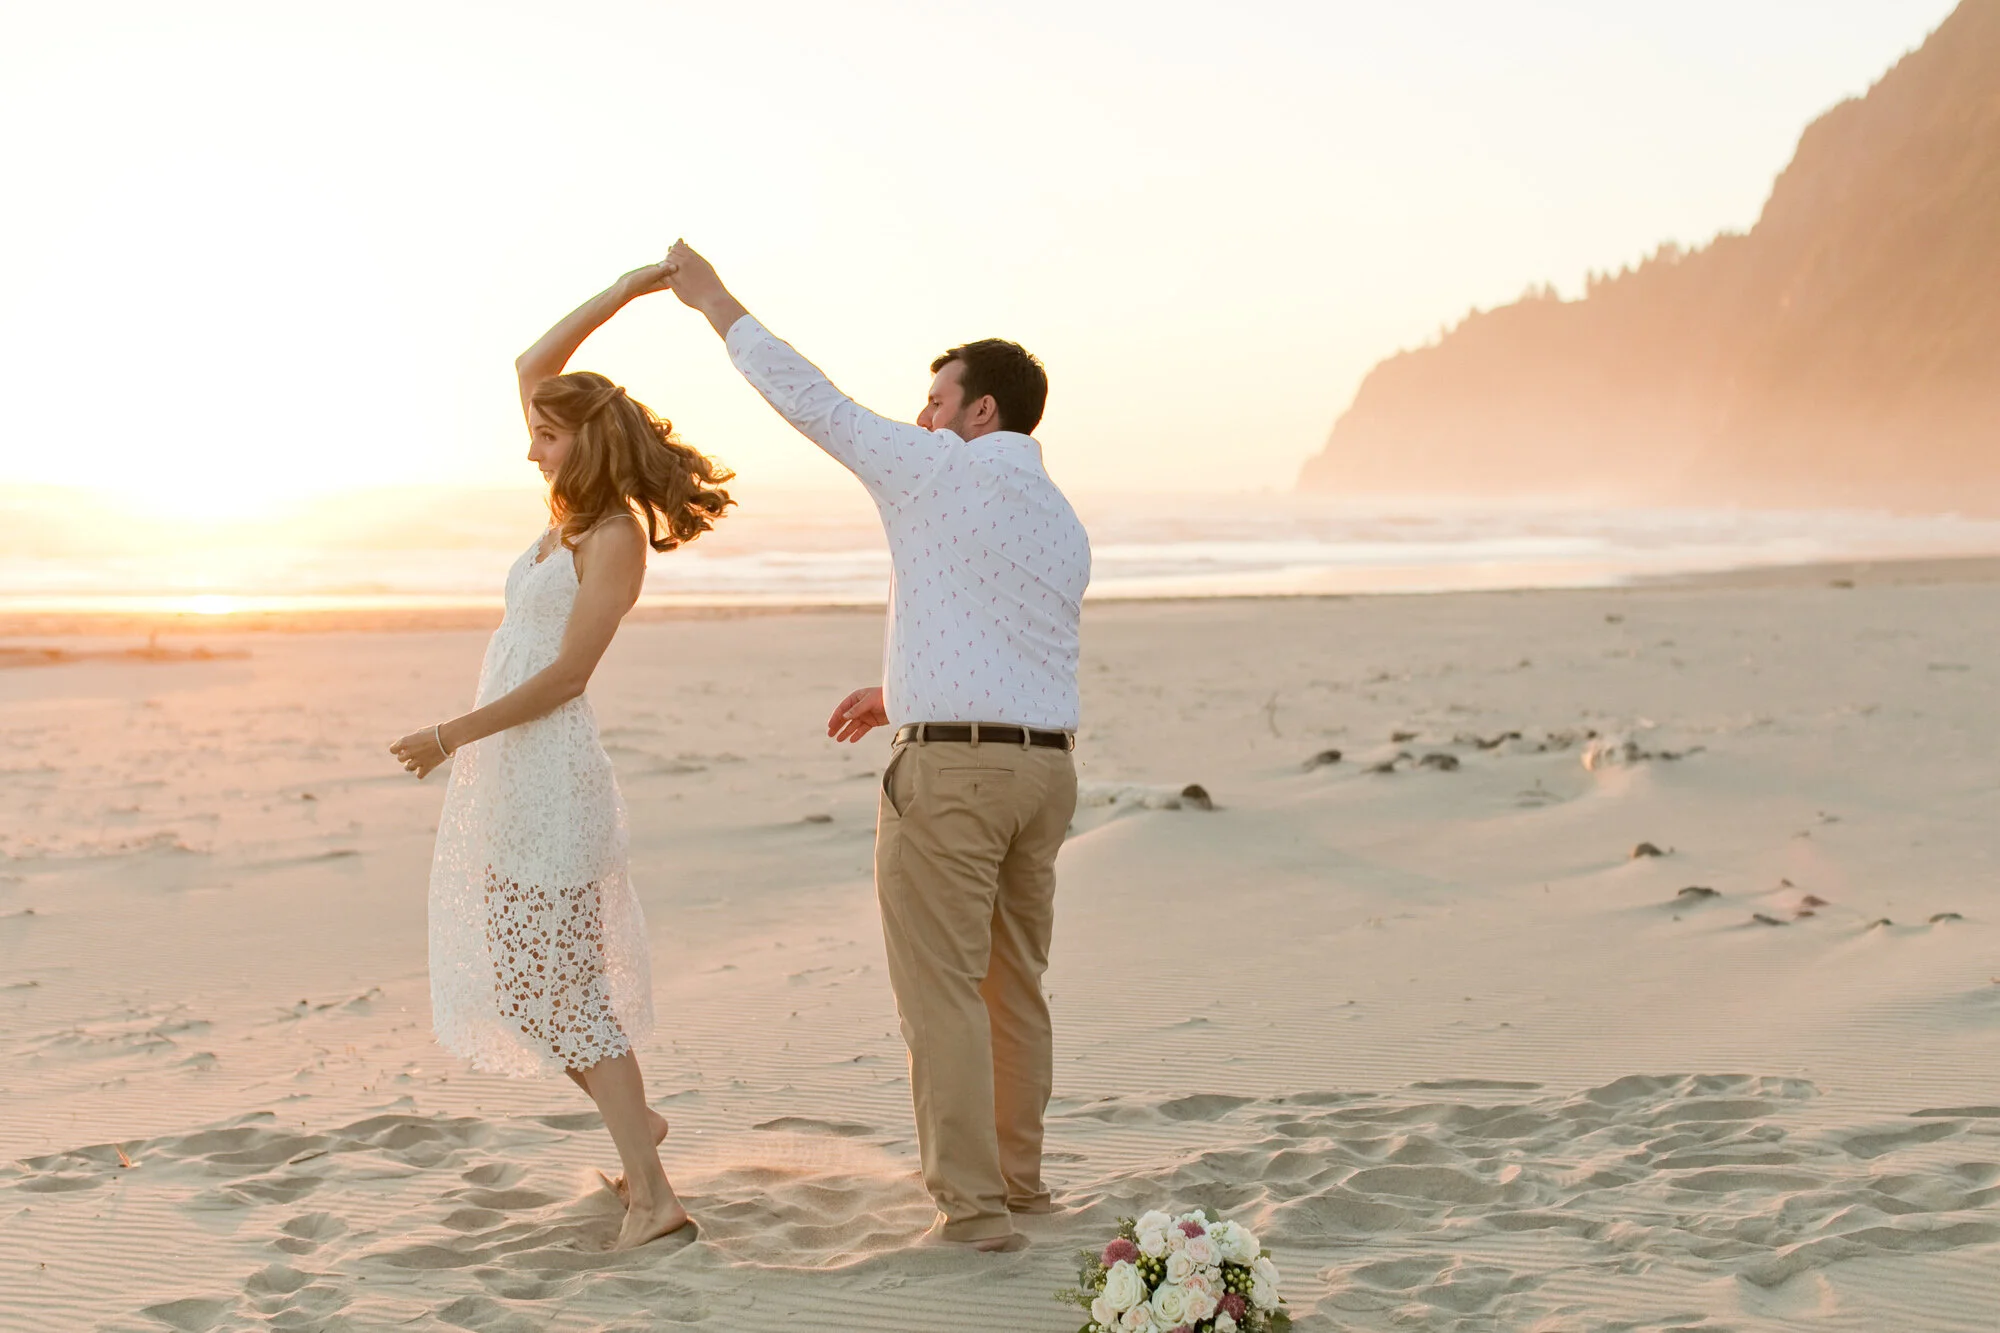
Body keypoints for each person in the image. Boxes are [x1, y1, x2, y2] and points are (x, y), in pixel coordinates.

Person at [660, 240, 1091, 1252]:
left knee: (938, 988)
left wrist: (713, 301)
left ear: (980, 412)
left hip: (954, 775)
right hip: (1044, 769)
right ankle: (1016, 1182)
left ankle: (974, 1211)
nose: (920, 415)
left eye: (936, 398)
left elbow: (812, 401)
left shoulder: (938, 469)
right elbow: (1009, 634)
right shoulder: (1059, 517)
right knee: (1010, 981)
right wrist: (896, 690)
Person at [388, 258, 733, 1251]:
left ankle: (653, 1193)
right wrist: (628, 288)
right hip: (512, 777)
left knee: (561, 989)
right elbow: (532, 358)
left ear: (585, 438)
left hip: (549, 774)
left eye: (545, 435)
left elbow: (572, 674)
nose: (530, 450)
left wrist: (451, 732)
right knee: (525, 984)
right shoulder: (567, 519)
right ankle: (638, 1128)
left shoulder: (613, 535)